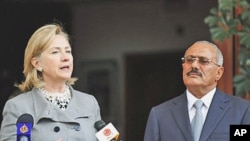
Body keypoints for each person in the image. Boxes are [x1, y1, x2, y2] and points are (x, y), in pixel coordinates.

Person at [0, 23, 101, 141]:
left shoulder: (89, 103)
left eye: (68, 51)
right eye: (55, 52)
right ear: (37, 63)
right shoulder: (18, 107)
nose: (65, 57)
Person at [144, 40, 250, 141]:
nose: (194, 65)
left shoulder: (242, 111)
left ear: (219, 73)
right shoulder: (160, 114)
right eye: (189, 60)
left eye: (203, 61)